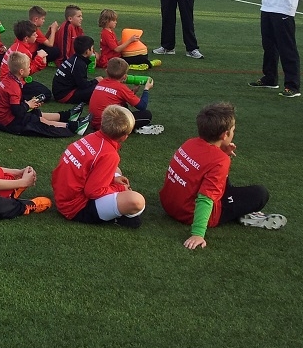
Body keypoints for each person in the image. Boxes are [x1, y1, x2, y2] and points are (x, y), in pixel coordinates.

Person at [160, 101, 287, 248]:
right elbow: (205, 198)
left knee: (222, 182)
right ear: (225, 134)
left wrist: (221, 153)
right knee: (260, 194)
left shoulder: (190, 142)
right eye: (233, 130)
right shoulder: (220, 160)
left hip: (169, 204)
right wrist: (198, 233)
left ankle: (240, 211)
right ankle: (245, 214)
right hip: (189, 213)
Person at [51, 105, 145, 228]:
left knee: (116, 170)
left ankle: (118, 209)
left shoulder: (91, 137)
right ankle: (120, 217)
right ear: (124, 136)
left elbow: (87, 172)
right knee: (137, 201)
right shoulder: (109, 154)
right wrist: (119, 188)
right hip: (76, 208)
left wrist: (113, 180)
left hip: (63, 197)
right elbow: (93, 191)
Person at [0, 52, 79, 137]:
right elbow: (17, 112)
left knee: (36, 113)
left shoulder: (9, 79)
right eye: (28, 67)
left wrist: (30, 104)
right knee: (39, 121)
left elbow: (12, 104)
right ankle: (72, 126)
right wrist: (28, 105)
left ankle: (67, 115)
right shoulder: (13, 86)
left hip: (1, 117)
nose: (30, 69)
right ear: (21, 71)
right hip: (8, 122)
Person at [88, 57, 159, 135]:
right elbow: (142, 106)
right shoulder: (121, 88)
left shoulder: (101, 82)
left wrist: (132, 92)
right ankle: (134, 128)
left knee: (123, 106)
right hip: (108, 127)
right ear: (125, 76)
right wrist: (146, 89)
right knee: (146, 115)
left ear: (106, 71)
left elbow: (115, 97)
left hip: (94, 122)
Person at [0, 20, 51, 100]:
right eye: (34, 34)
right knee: (45, 93)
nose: (37, 35)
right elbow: (27, 72)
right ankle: (16, 97)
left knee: (43, 91)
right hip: (12, 83)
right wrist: (39, 57)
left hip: (10, 80)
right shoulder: (22, 51)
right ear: (26, 38)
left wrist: (41, 63)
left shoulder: (18, 46)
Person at [51, 35, 99, 106]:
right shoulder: (79, 64)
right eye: (92, 48)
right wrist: (96, 81)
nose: (93, 51)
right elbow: (83, 85)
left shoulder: (75, 58)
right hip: (64, 96)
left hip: (61, 92)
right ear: (87, 51)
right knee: (99, 88)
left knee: (96, 86)